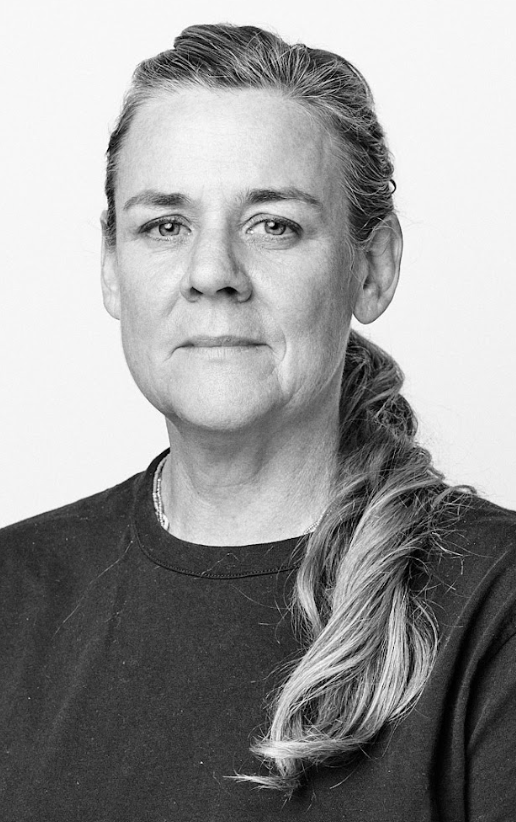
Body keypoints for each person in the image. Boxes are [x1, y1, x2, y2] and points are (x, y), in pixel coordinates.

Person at [1, 22, 515, 822]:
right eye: (164, 225)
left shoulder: (495, 605)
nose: (212, 273)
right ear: (111, 269)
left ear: (372, 267)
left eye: (274, 224)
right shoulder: (14, 590)